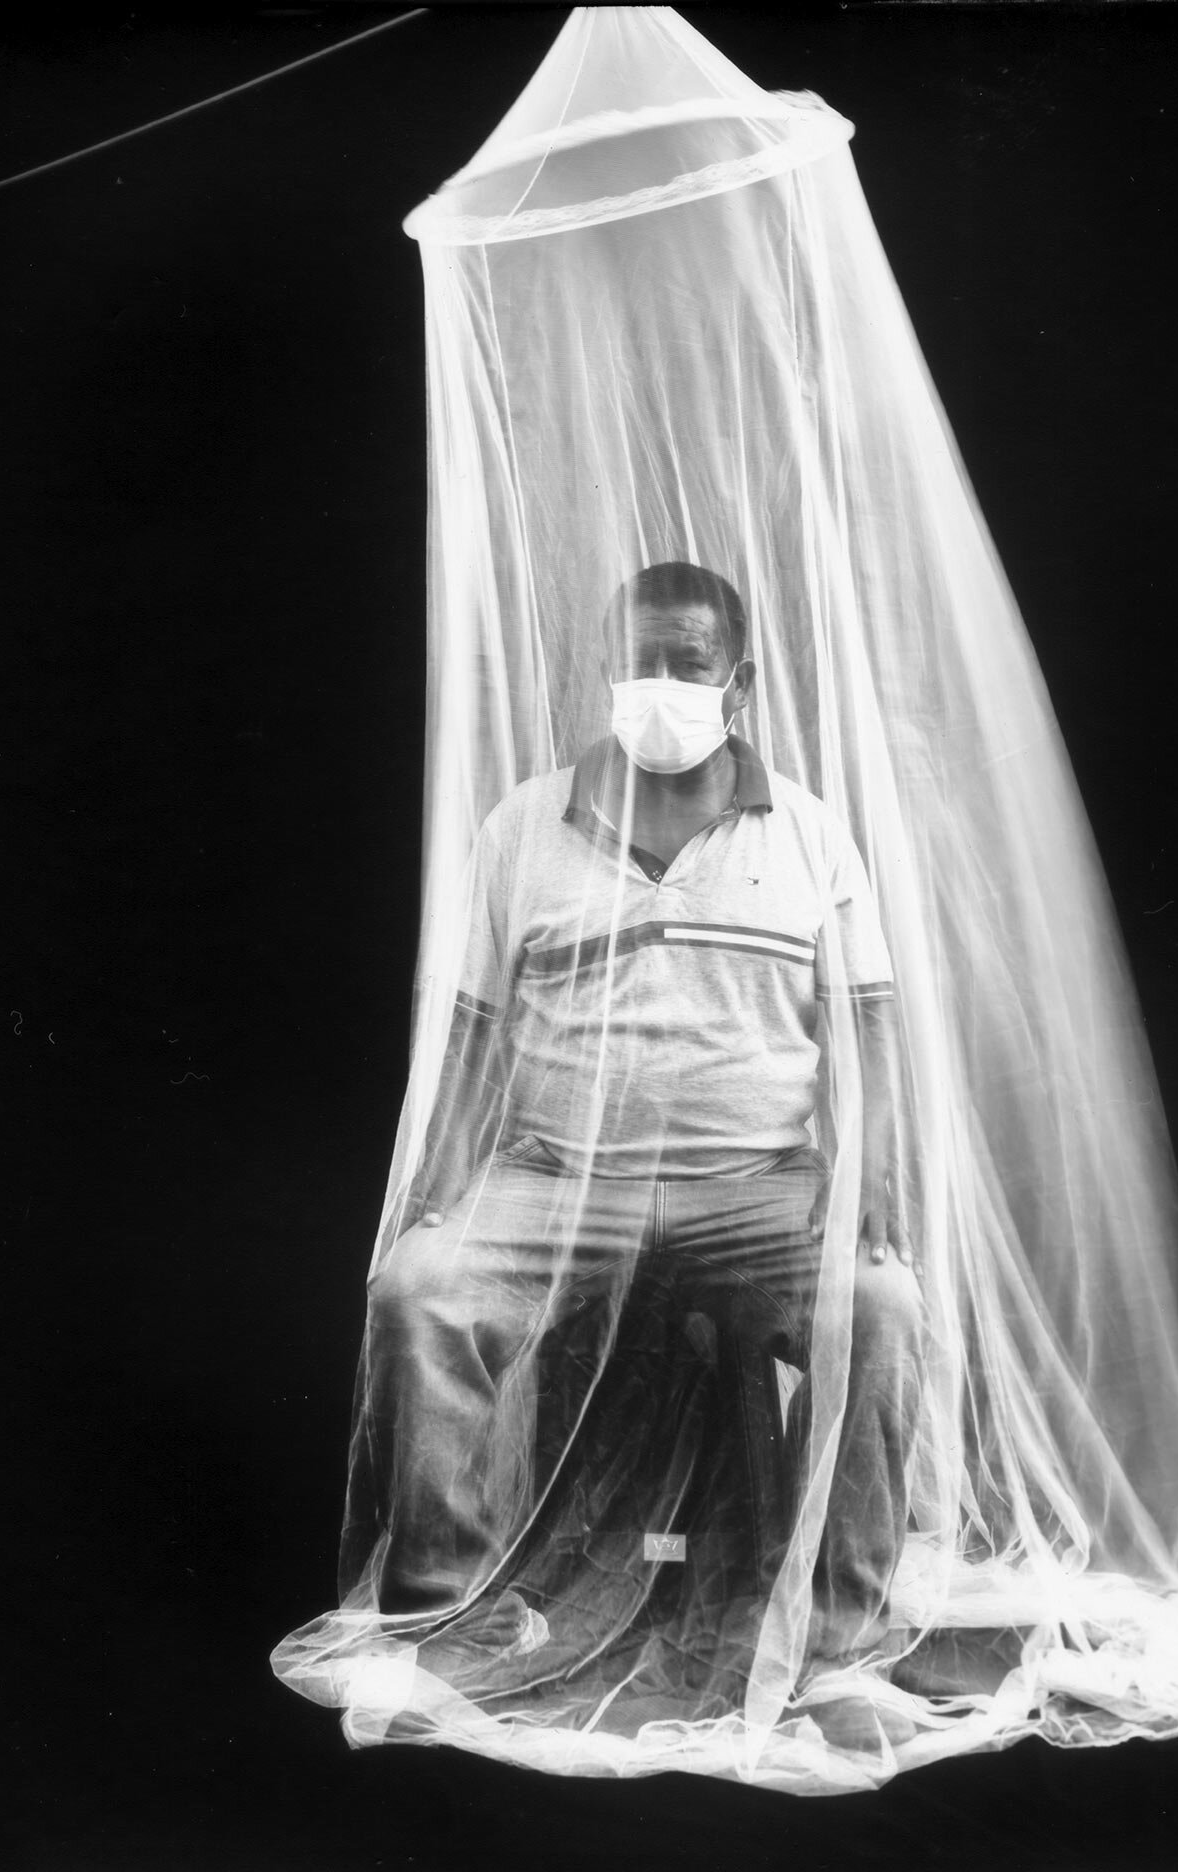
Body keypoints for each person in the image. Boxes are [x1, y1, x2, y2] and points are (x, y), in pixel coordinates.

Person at [351, 561, 925, 1747]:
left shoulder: (810, 833)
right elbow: (466, 1030)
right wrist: (438, 1189)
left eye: (687, 664)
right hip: (560, 1182)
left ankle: (837, 1656)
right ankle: (440, 1625)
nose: (659, 688)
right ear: (605, 676)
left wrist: (874, 1179)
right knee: (417, 1289)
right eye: (639, 664)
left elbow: (871, 1027)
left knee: (881, 1305)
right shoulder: (524, 825)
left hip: (756, 1190)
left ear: (741, 683)